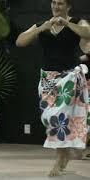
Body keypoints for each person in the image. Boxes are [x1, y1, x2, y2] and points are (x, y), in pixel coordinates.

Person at [16, 0, 90, 177]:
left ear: (68, 6)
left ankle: (60, 157)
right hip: (48, 79)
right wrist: (42, 28)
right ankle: (65, 153)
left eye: (61, 4)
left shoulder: (77, 21)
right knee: (49, 118)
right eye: (54, 3)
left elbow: (88, 32)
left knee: (60, 116)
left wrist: (67, 23)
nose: (56, 7)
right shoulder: (43, 24)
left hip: (69, 77)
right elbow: (20, 41)